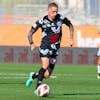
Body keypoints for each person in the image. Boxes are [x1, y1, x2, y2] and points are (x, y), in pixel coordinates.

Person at [26, 2, 74, 94]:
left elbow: (70, 25)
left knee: (47, 75)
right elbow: (30, 33)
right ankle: (37, 88)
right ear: (48, 11)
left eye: (56, 12)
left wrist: (71, 38)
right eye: (53, 12)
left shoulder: (61, 18)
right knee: (45, 65)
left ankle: (33, 76)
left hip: (55, 49)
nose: (55, 14)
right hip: (45, 46)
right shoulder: (42, 21)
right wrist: (31, 43)